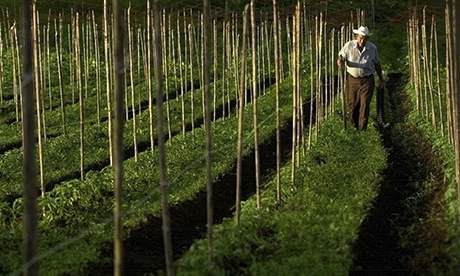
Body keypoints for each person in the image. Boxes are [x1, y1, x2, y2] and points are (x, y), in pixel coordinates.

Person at [337, 26, 384, 130]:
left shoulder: (372, 48)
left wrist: (381, 79)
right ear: (356, 36)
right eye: (360, 38)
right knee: (353, 104)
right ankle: (354, 126)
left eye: (365, 38)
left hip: (367, 80)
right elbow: (341, 57)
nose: (362, 41)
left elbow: (377, 64)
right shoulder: (348, 46)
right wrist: (340, 61)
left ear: (367, 38)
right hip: (352, 80)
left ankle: (362, 129)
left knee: (365, 103)